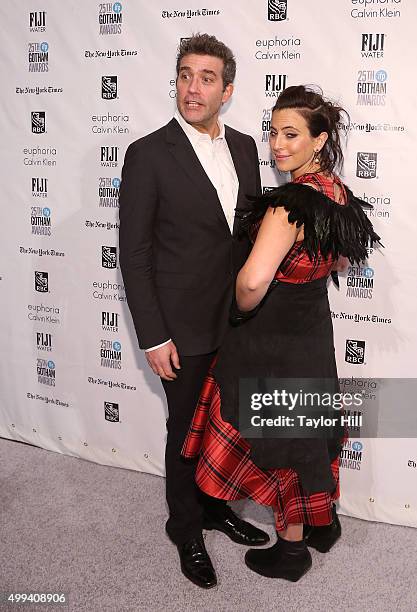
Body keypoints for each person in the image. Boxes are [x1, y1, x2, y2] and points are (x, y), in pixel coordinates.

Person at [182, 85, 381, 582]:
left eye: (291, 134)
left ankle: (291, 549)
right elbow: (335, 258)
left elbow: (251, 281)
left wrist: (241, 307)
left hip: (272, 336)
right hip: (311, 326)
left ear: (320, 139)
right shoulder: (335, 193)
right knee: (304, 426)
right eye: (273, 132)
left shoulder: (289, 203)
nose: (277, 145)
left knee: (281, 436)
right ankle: (322, 522)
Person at [118, 33, 269, 590]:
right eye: (185, 75)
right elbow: (134, 255)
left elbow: (248, 238)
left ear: (227, 91)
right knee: (185, 430)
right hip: (180, 327)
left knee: (226, 426)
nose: (193, 87)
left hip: (237, 322)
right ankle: (184, 527)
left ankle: (213, 507)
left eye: (206, 78)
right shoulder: (148, 154)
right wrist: (153, 335)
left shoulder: (248, 148)